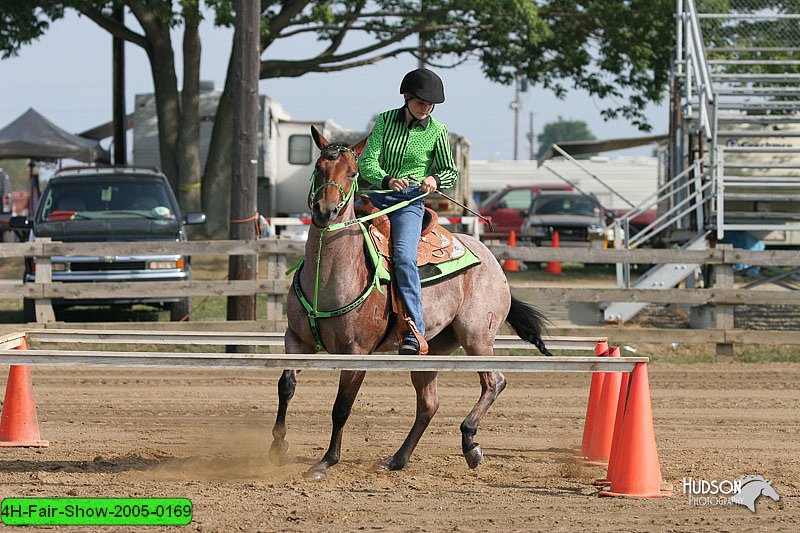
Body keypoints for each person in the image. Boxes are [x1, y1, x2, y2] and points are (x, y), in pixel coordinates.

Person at [359, 67, 459, 355]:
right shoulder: (385, 121)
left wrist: (434, 179)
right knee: (336, 235)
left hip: (409, 204)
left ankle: (415, 327)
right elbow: (367, 163)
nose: (426, 108)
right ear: (406, 97)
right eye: (421, 102)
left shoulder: (438, 131)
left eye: (430, 104)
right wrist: (387, 179)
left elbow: (450, 171)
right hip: (377, 197)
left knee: (403, 257)